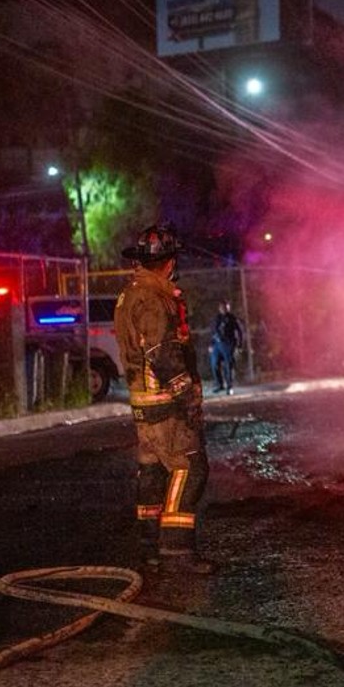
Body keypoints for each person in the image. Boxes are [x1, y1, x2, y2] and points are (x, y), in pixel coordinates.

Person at [115, 222, 214, 574]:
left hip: (144, 402)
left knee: (153, 472)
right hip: (165, 404)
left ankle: (150, 549)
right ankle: (177, 552)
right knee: (191, 468)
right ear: (169, 262)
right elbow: (161, 352)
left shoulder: (130, 294)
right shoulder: (154, 299)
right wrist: (186, 395)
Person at [210, 300, 243, 393]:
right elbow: (213, 331)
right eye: (221, 307)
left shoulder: (232, 318)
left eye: (225, 307)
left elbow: (240, 331)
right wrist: (211, 344)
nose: (223, 309)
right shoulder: (217, 318)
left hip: (228, 344)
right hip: (217, 345)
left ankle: (230, 387)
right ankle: (220, 384)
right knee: (214, 364)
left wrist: (239, 345)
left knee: (228, 366)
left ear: (228, 308)